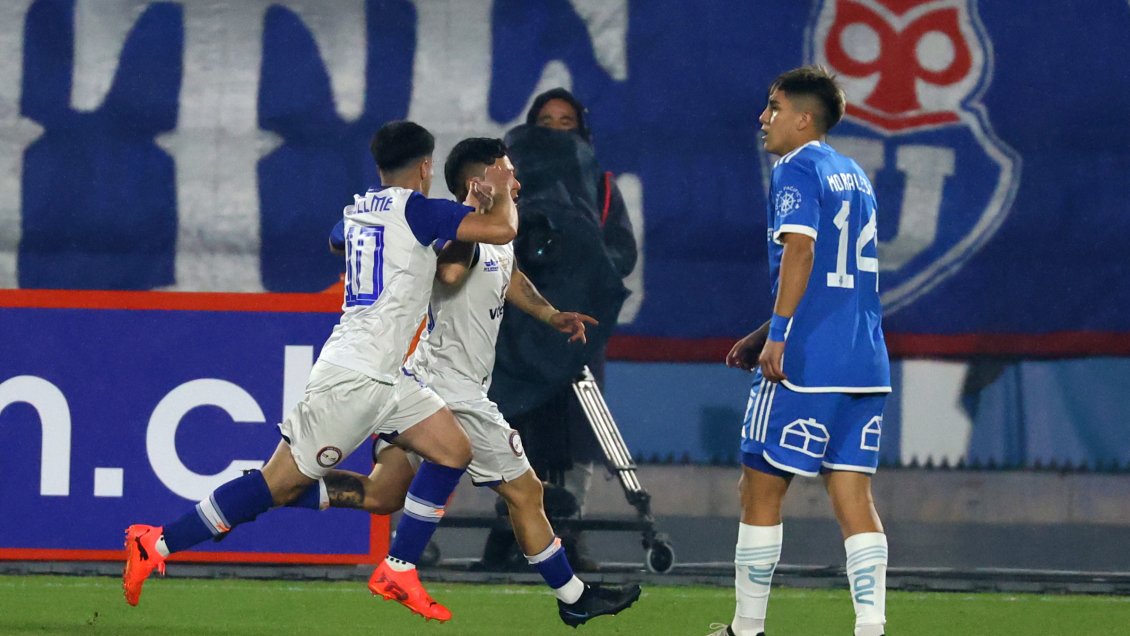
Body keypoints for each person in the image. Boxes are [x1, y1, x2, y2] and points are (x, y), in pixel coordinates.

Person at [122, 121, 519, 623]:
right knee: (276, 486)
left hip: (388, 377)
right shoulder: (418, 210)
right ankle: (155, 542)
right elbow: (502, 230)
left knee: (453, 450)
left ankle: (397, 569)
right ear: (425, 167)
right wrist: (500, 191)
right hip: (352, 378)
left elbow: (338, 240)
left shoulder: (357, 210)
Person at [302, 137, 642, 627]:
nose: (516, 183)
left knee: (383, 495)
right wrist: (489, 207)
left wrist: (551, 315)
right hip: (447, 388)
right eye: (507, 173)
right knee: (526, 491)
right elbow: (452, 275)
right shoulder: (454, 231)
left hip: (430, 379)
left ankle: (279, 486)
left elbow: (512, 274)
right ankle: (570, 596)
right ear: (478, 181)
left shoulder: (492, 237)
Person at [710, 66, 891, 636]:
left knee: (759, 487)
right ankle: (871, 628)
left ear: (804, 118)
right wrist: (764, 330)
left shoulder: (796, 167)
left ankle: (746, 629)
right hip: (865, 360)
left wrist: (780, 335)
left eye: (774, 107)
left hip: (807, 361)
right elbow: (836, 278)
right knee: (853, 496)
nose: (764, 119)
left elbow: (803, 255)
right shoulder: (855, 174)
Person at [484, 87, 638, 570]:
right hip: (519, 329)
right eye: (544, 122)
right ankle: (510, 531)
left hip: (578, 328)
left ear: (583, 132)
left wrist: (581, 266)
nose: (554, 131)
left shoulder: (602, 187)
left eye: (565, 123)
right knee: (514, 426)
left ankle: (570, 534)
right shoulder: (506, 186)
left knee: (577, 433)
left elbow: (622, 253)